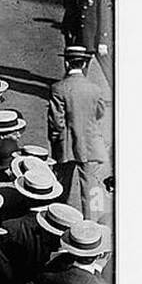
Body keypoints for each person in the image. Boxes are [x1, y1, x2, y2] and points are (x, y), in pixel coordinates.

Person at [47, 46, 110, 220]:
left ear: (66, 63)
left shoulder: (58, 88)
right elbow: (100, 113)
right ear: (84, 64)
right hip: (91, 143)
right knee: (92, 185)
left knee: (62, 184)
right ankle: (94, 223)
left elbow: (56, 122)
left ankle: (60, 218)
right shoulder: (95, 89)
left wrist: (55, 142)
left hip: (66, 144)